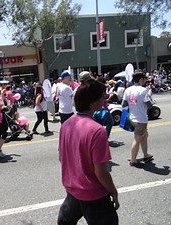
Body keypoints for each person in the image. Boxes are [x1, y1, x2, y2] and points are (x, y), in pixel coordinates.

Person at [57, 79, 119, 225]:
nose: (105, 99)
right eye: (103, 96)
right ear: (93, 103)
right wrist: (114, 192)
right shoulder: (97, 131)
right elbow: (101, 172)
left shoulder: (66, 124)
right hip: (94, 195)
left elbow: (62, 157)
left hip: (73, 190)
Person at [122, 71, 153, 167]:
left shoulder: (128, 90)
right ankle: (133, 160)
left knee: (144, 135)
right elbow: (149, 106)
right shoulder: (144, 91)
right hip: (141, 119)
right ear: (140, 80)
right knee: (137, 139)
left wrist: (133, 102)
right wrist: (149, 96)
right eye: (144, 79)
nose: (145, 81)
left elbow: (124, 104)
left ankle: (146, 155)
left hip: (132, 117)